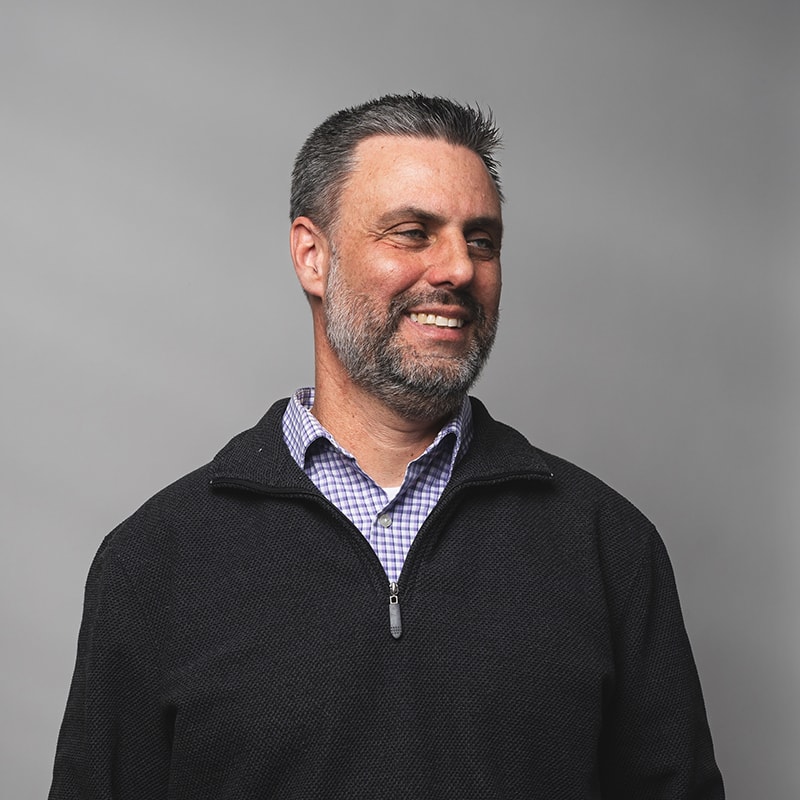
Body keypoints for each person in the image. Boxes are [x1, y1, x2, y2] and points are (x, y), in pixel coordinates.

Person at [49, 93, 724, 798]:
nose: (459, 269)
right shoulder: (155, 562)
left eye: (482, 240)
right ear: (313, 256)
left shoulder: (607, 549)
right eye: (412, 232)